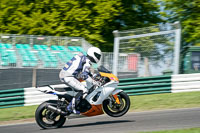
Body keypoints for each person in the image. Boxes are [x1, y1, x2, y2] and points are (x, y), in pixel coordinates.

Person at [59, 47, 101, 114]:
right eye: (97, 56)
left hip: (67, 75)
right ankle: (70, 107)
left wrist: (94, 76)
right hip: (68, 76)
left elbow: (87, 72)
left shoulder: (83, 58)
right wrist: (94, 82)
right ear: (92, 53)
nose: (98, 57)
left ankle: (77, 104)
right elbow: (84, 75)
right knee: (84, 90)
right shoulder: (87, 61)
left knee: (82, 87)